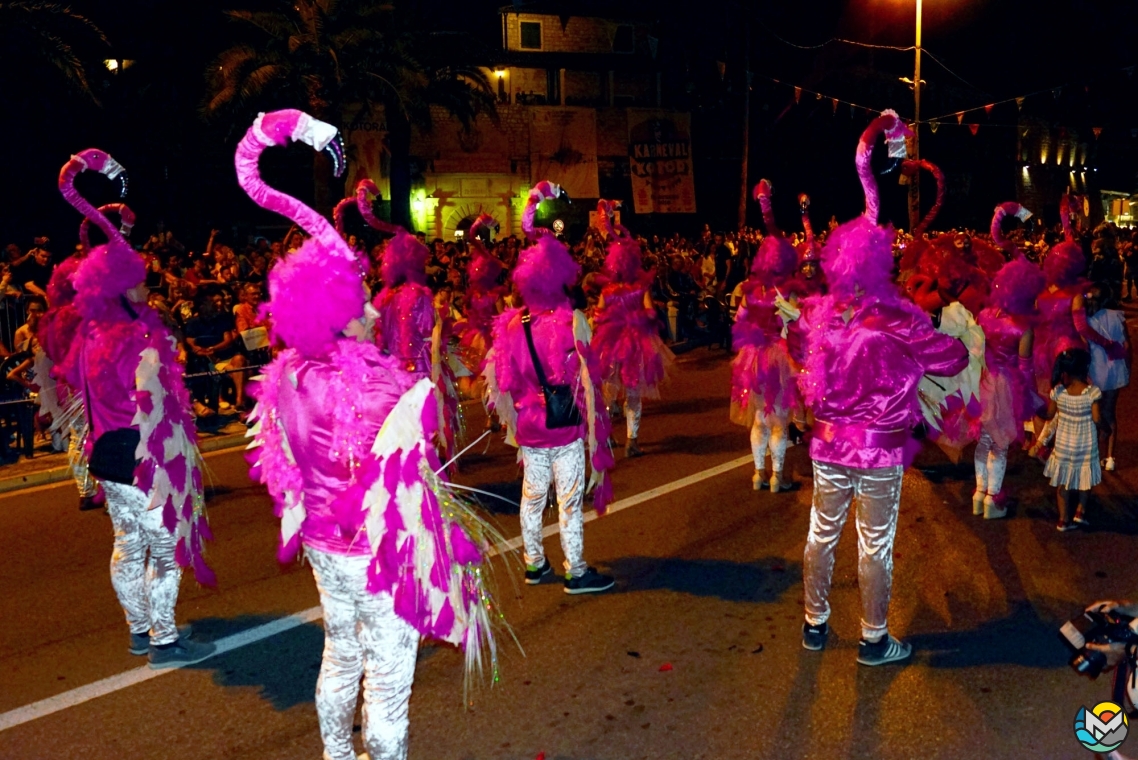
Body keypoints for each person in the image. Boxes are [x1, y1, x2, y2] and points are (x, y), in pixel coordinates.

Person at [237, 108, 501, 760]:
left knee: (339, 649)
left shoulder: (286, 378)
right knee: (386, 677)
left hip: (325, 547)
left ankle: (335, 754)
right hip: (374, 553)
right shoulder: (385, 387)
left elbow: (286, 471)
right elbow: (419, 464)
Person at [791, 111, 969, 666]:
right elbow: (954, 356)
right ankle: (873, 638)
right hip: (879, 447)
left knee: (821, 533)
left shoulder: (822, 316)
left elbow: (805, 367)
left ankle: (815, 624)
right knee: (875, 544)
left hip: (827, 443)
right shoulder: (898, 318)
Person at [59, 147, 215, 667]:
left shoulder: (88, 335)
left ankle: (138, 631)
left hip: (105, 456)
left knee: (126, 546)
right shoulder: (139, 337)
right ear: (126, 287)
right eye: (143, 279)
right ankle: (165, 642)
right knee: (165, 551)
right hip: (141, 458)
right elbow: (156, 405)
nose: (150, 284)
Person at [485, 180, 615, 594]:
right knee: (570, 498)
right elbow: (590, 378)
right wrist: (596, 434)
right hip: (564, 425)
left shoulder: (510, 324)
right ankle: (576, 570)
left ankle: (534, 563)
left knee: (532, 496)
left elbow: (501, 382)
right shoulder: (571, 320)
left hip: (529, 426)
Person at [973, 204, 1045, 520]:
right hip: (1006, 385)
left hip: (984, 381)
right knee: (1000, 445)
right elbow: (1026, 369)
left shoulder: (985, 315)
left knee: (984, 439)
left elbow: (976, 350)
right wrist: (1030, 398)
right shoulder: (1023, 326)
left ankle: (978, 494)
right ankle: (992, 500)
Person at [732, 181, 801, 492]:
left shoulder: (750, 289)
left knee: (759, 418)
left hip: (753, 358)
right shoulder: (787, 290)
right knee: (780, 420)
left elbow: (739, 321)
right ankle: (777, 476)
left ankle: (758, 473)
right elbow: (796, 325)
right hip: (779, 357)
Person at [591, 200, 673, 458]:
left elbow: (597, 316)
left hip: (610, 342)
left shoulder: (607, 290)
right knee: (633, 392)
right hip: (637, 343)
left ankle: (607, 437)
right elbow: (650, 312)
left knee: (608, 391)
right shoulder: (641, 288)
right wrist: (637, 316)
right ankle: (631, 440)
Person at [1043, 349, 1107, 531]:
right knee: (1084, 477)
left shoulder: (1058, 392)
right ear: (1086, 368)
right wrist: (1106, 429)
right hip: (1086, 444)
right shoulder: (1092, 392)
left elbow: (1049, 415)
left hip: (1064, 444)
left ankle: (1063, 520)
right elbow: (1096, 418)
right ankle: (1081, 510)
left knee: (1063, 482)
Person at [1086, 285, 1130, 471]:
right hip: (1116, 370)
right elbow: (1126, 344)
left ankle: (1094, 456)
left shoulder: (1088, 320)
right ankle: (1110, 457)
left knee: (1095, 415)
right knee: (1110, 413)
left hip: (1096, 370)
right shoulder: (1117, 316)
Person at [184, 289, 248, 412]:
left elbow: (228, 339)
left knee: (239, 360)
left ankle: (239, 400)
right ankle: (239, 402)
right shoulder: (193, 322)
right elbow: (190, 341)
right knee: (234, 370)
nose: (216, 305)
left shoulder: (223, 319)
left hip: (226, 356)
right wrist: (200, 349)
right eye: (213, 303)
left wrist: (212, 348)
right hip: (208, 360)